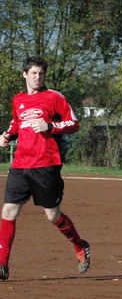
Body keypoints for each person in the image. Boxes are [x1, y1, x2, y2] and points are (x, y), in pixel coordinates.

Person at [0, 56, 90, 281]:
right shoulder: (18, 100)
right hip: (20, 164)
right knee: (8, 211)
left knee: (52, 215)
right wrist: (8, 135)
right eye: (33, 73)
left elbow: (74, 123)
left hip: (46, 165)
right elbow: (17, 123)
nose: (37, 77)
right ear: (25, 75)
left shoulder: (54, 97)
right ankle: (2, 263)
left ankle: (79, 245)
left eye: (41, 74)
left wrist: (50, 126)